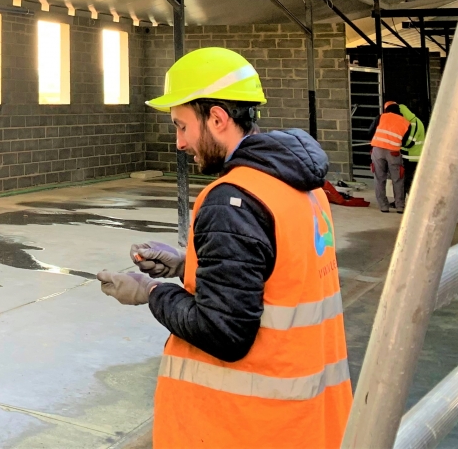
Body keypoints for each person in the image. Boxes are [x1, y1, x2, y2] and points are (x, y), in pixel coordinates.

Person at [94, 47, 351, 448]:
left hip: (245, 427)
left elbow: (222, 332)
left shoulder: (233, 200)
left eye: (182, 126)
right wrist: (188, 265)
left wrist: (152, 292)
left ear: (217, 118)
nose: (179, 143)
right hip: (308, 419)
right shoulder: (300, 186)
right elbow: (276, 274)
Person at [369, 101, 409, 213]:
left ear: (386, 109)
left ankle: (383, 206)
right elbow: (405, 140)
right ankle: (400, 206)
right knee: (398, 179)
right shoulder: (405, 122)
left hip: (378, 150)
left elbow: (370, 132)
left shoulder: (381, 117)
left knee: (379, 178)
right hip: (394, 152)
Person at [400, 103, 426, 190]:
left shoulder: (414, 123)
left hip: (413, 157)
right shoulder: (410, 122)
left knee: (409, 180)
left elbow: (409, 142)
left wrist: (397, 145)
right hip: (409, 157)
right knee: (407, 180)